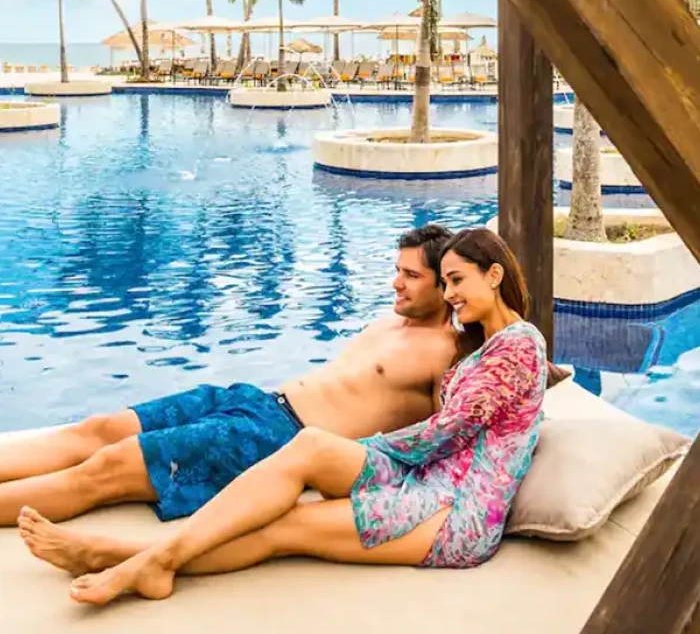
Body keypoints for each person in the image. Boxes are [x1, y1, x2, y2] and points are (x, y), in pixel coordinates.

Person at [19, 227, 549, 606]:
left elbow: (449, 430)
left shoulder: (519, 344)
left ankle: (129, 558)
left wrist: (370, 446)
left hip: (456, 511)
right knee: (312, 447)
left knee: (283, 527)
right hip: (413, 474)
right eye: (449, 283)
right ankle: (142, 560)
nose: (453, 296)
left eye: (457, 281)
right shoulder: (484, 349)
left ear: (494, 274)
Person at [0, 225, 459, 526]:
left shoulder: (447, 354)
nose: (396, 283)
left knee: (107, 469)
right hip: (253, 400)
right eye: (397, 271)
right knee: (98, 429)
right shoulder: (389, 323)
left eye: (411, 275)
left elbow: (447, 437)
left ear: (447, 282)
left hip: (273, 438)